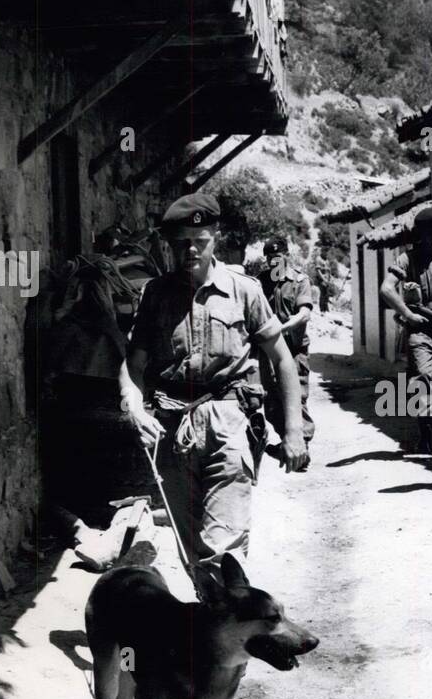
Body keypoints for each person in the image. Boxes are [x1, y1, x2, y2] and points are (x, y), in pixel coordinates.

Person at [119, 193, 308, 591]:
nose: (190, 250)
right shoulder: (155, 294)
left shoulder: (245, 290)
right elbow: (133, 365)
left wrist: (293, 430)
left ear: (215, 238)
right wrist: (134, 406)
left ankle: (230, 641)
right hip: (171, 429)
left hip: (229, 422)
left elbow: (283, 361)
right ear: (170, 244)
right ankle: (218, 637)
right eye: (180, 242)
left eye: (199, 240)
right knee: (193, 553)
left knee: (222, 549)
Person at [379, 205, 432, 454]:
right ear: (420, 234)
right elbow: (386, 289)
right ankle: (426, 432)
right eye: (428, 232)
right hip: (420, 330)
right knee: (422, 380)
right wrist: (408, 314)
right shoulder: (407, 259)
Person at [257, 235, 315, 463]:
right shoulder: (260, 282)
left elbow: (305, 313)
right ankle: (286, 441)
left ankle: (304, 446)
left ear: (286, 256)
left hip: (294, 348)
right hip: (270, 349)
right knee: (271, 399)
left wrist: (281, 327)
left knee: (297, 396)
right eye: (270, 258)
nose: (274, 261)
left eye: (278, 257)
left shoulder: (300, 280)